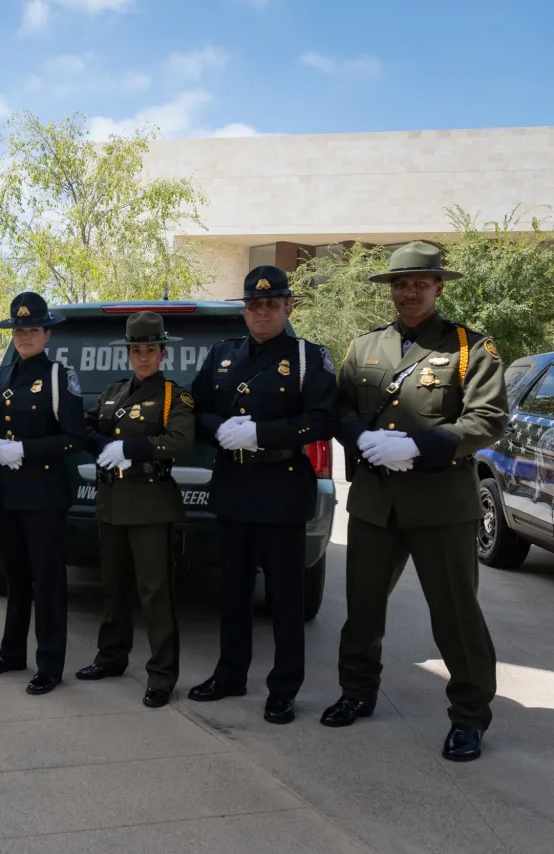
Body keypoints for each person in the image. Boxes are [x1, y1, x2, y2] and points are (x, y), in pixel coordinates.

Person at [323, 241, 507, 762]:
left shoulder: (470, 348)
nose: (408, 292)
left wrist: (420, 445)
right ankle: (356, 691)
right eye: (400, 284)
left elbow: (488, 419)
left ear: (438, 287)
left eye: (419, 284)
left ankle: (470, 716)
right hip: (377, 502)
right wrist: (358, 437)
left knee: (454, 613)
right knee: (362, 606)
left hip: (441, 503)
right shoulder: (365, 348)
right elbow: (340, 406)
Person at [186, 266, 337, 724]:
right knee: (232, 592)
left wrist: (261, 434)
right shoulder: (222, 355)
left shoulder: (310, 359)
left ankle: (284, 687)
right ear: (244, 310)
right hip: (234, 487)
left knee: (285, 599)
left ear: (289, 307)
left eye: (272, 304)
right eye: (254, 304)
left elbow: (323, 419)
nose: (262, 311)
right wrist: (223, 430)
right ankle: (230, 673)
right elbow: (196, 408)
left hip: (282, 489)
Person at [78, 312, 195, 708]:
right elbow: (87, 426)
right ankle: (111, 657)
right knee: (113, 588)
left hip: (150, 505)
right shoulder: (113, 391)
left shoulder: (172, 397)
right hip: (111, 502)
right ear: (127, 354)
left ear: (162, 353)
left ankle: (161, 676)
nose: (142, 357)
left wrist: (130, 448)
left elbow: (180, 441)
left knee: (155, 594)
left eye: (149, 350)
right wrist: (101, 446)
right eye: (135, 350)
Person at [0, 292, 84, 696]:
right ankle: (11, 653)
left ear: (46, 333)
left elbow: (73, 437)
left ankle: (50, 664)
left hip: (43, 496)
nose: (25, 336)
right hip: (6, 494)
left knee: (47, 582)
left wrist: (24, 449)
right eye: (19, 330)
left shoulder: (59, 377)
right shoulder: (1, 377)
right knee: (15, 578)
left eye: (33, 329)